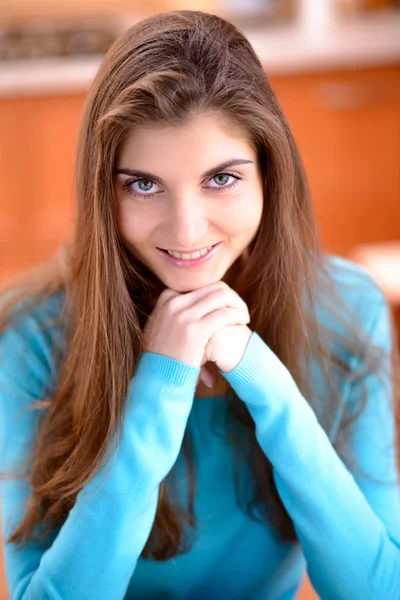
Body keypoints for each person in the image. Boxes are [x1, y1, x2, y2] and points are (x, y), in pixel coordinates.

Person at [0, 10, 399, 600]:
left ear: (270, 173)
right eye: (142, 184)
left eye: (221, 179)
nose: (187, 232)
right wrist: (159, 386)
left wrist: (260, 373)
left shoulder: (346, 307)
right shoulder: (30, 334)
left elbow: (379, 589)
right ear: (100, 189)